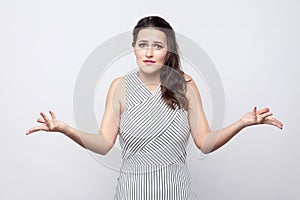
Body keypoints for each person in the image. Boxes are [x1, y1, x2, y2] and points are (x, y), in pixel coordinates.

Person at [26, 16, 283, 200]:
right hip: (131, 194)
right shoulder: (120, 87)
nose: (149, 52)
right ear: (134, 48)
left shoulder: (185, 86)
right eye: (142, 45)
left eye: (157, 46)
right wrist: (63, 128)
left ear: (167, 50)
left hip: (178, 193)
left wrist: (243, 122)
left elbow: (204, 142)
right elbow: (103, 144)